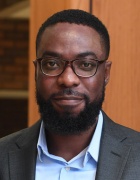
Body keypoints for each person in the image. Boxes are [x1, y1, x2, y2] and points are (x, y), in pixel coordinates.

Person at [0, 9, 140, 180]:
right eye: (52, 63)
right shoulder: (3, 155)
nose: (67, 79)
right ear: (37, 71)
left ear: (106, 73)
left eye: (86, 65)